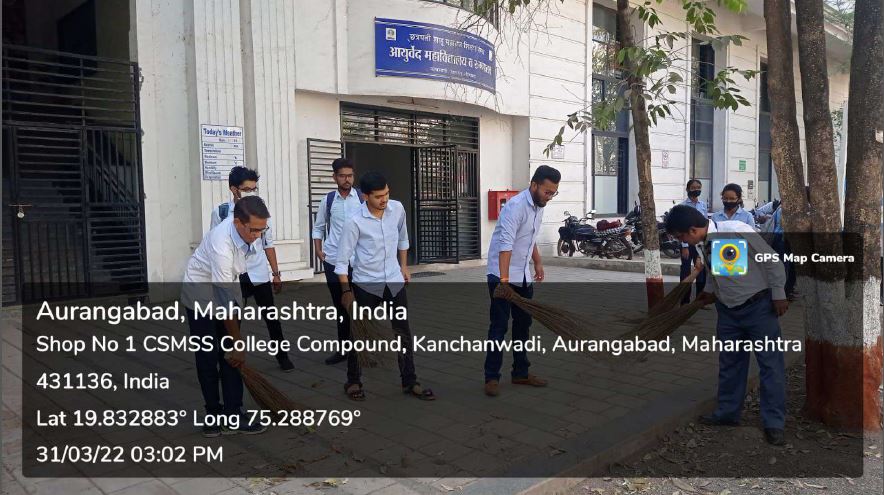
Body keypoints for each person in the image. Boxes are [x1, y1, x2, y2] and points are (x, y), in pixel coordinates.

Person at [665, 204, 788, 446]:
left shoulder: (736, 230)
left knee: (770, 366)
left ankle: (774, 423)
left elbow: (772, 260)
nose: (682, 242)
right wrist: (709, 292)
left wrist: (779, 294)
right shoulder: (703, 242)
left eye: (681, 237)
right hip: (728, 312)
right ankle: (727, 414)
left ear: (692, 230)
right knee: (730, 364)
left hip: (759, 308)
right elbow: (718, 270)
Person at [335, 172, 435, 402]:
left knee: (403, 332)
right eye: (378, 196)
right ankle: (353, 381)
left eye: (387, 194)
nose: (384, 199)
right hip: (366, 284)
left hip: (393, 280)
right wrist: (346, 291)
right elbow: (341, 261)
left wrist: (404, 266)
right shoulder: (354, 221)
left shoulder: (397, 209)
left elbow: (403, 239)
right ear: (365, 196)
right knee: (359, 333)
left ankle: (409, 381)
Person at [182, 196, 271, 437]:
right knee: (207, 356)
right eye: (254, 230)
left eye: (262, 230)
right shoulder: (221, 243)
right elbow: (223, 302)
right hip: (200, 296)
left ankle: (234, 414)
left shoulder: (248, 232)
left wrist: (234, 345)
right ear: (238, 222)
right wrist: (237, 342)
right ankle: (212, 414)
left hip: (226, 287)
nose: (257, 236)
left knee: (230, 357)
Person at [484, 165, 561, 397]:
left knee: (523, 325)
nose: (549, 197)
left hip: (523, 275)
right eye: (547, 192)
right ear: (534, 185)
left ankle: (520, 372)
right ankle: (491, 377)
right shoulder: (515, 207)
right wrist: (504, 282)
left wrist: (537, 262)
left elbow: (529, 237)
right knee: (499, 326)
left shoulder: (539, 206)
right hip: (501, 275)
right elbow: (506, 245)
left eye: (553, 193)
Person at [210, 166, 292, 372]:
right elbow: (215, 246)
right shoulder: (221, 213)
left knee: (271, 317)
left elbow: (268, 243)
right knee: (231, 321)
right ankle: (227, 362)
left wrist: (276, 273)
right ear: (234, 189)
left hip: (258, 272)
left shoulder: (260, 211)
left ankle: (282, 356)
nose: (251, 193)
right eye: (246, 190)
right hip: (234, 275)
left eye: (253, 189)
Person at [312, 158, 364, 365]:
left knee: (362, 306)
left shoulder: (362, 198)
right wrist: (318, 249)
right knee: (341, 306)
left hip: (358, 261)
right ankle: (344, 350)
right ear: (334, 177)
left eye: (350, 175)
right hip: (333, 260)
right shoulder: (328, 200)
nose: (346, 179)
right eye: (342, 176)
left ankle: (363, 350)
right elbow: (318, 227)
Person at [679, 179, 708, 304]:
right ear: (687, 189)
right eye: (693, 187)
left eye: (698, 187)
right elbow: (681, 227)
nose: (696, 190)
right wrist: (684, 246)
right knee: (686, 271)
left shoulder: (703, 205)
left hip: (700, 243)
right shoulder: (682, 206)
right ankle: (684, 300)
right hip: (687, 243)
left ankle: (699, 300)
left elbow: (705, 223)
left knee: (701, 270)